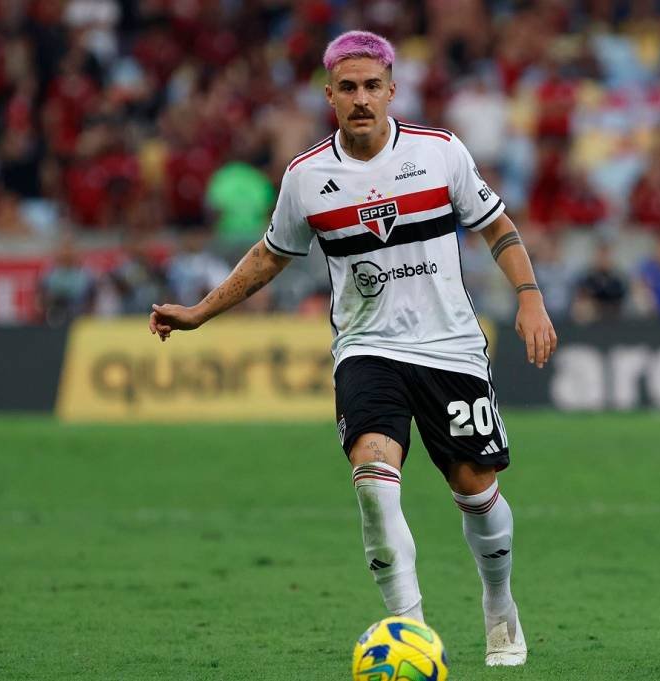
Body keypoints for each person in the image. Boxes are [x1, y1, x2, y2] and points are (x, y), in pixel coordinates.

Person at [148, 30, 557, 667]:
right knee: (373, 482)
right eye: (348, 88)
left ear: (392, 90)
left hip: (450, 345)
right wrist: (201, 312)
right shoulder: (307, 177)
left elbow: (496, 226)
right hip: (367, 348)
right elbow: (269, 255)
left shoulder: (440, 153)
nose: (361, 98)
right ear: (329, 95)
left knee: (476, 489)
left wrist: (529, 297)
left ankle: (499, 607)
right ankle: (411, 635)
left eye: (372, 86)